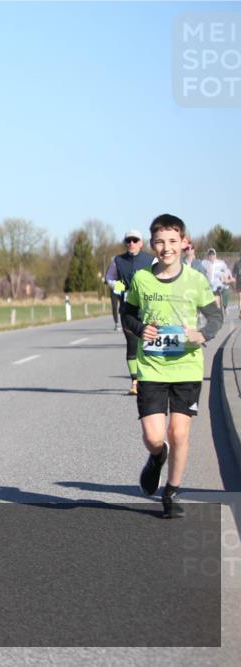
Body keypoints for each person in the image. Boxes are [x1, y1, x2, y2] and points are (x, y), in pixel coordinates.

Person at [121, 214, 223, 518]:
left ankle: (171, 491)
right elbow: (128, 314)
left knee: (179, 433)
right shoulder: (142, 279)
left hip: (187, 368)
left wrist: (201, 334)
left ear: (184, 243)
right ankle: (157, 456)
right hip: (151, 368)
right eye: (160, 242)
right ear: (152, 245)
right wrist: (141, 329)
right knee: (154, 437)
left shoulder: (196, 281)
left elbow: (215, 317)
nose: (166, 248)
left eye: (172, 241)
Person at [105, 230, 155, 395]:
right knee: (132, 344)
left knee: (148, 343)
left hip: (148, 310)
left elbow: (161, 278)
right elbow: (109, 279)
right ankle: (135, 381)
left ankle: (150, 379)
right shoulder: (117, 260)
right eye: (128, 241)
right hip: (127, 309)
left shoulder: (151, 260)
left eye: (135, 240)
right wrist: (122, 288)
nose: (131, 243)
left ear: (141, 242)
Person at [201, 248, 234, 316]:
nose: (211, 256)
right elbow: (200, 270)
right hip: (209, 285)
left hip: (218, 284)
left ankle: (224, 307)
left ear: (215, 255)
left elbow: (227, 270)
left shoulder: (220, 263)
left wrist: (225, 277)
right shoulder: (204, 263)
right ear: (208, 256)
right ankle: (216, 313)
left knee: (220, 297)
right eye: (210, 255)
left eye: (213, 254)